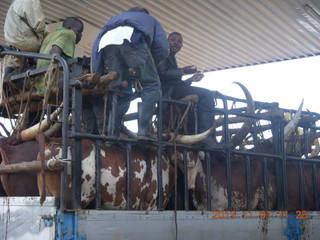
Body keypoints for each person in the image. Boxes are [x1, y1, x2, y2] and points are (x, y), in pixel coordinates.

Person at [92, 6, 169, 140]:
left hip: (107, 44)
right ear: (145, 14)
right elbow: (162, 47)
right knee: (152, 84)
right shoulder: (149, 19)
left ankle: (112, 136)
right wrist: (151, 64)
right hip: (132, 38)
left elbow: (96, 46)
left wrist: (97, 70)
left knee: (118, 90)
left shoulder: (113, 19)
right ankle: (144, 132)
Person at [157, 32, 216, 146]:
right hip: (167, 91)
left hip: (173, 88)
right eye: (173, 40)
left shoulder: (171, 57)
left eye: (179, 42)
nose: (176, 43)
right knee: (206, 95)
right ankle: (206, 139)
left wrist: (191, 79)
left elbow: (176, 82)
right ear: (167, 42)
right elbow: (162, 73)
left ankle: (202, 134)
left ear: (182, 46)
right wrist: (183, 71)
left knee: (208, 95)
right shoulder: (163, 54)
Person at [35, 17, 84, 96]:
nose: (81, 35)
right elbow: (54, 54)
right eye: (79, 31)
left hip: (41, 83)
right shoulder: (70, 33)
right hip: (52, 80)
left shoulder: (50, 36)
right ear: (69, 28)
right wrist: (60, 79)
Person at [3, 0, 50, 77]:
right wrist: (47, 37)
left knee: (14, 62)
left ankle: (7, 81)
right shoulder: (29, 1)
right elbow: (38, 24)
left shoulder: (15, 3)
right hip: (25, 41)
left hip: (13, 41)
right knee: (50, 42)